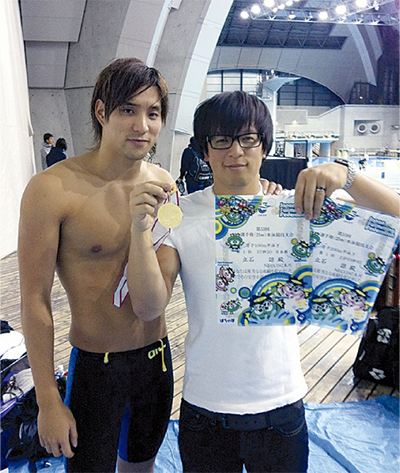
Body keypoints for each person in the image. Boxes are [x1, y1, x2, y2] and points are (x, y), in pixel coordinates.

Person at [127, 90, 400, 472]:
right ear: (204, 150)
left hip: (281, 409)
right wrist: (139, 230)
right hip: (205, 410)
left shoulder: (294, 208)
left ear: (265, 146)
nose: (235, 151)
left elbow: (394, 215)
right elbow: (148, 306)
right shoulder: (180, 214)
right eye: (221, 140)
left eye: (248, 138)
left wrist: (347, 174)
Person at [19, 58, 175, 473]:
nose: (142, 125)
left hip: (157, 361)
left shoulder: (163, 185)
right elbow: (34, 300)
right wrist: (48, 400)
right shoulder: (52, 190)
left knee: (141, 468)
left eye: (153, 113)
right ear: (102, 111)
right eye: (128, 110)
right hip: (97, 368)